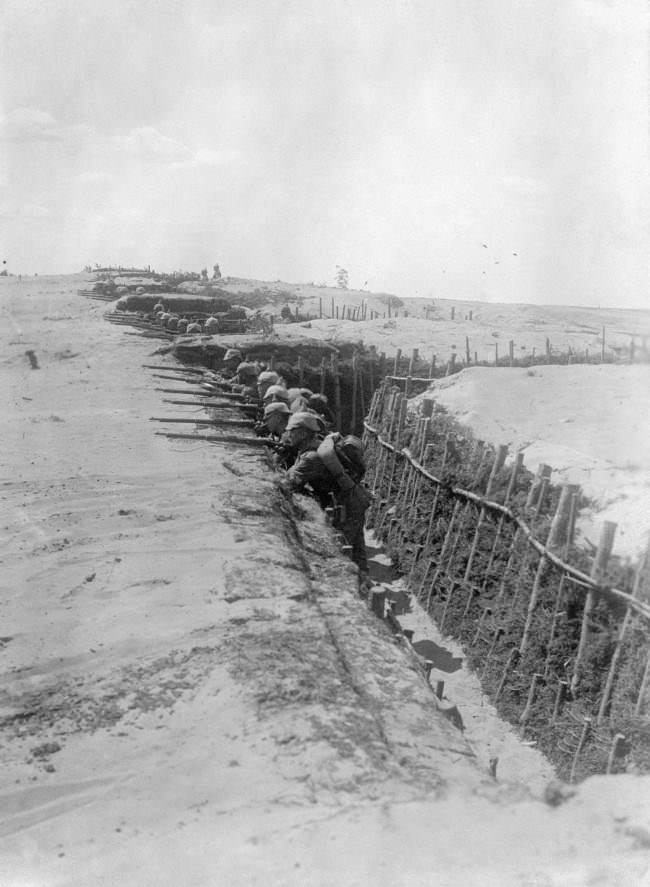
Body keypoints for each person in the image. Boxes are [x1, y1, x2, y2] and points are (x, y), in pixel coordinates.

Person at [285, 414, 370, 572]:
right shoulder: (313, 448)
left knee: (340, 553)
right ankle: (365, 587)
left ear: (303, 433)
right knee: (357, 552)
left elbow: (287, 482)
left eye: (292, 431)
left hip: (346, 506)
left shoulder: (311, 457)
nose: (289, 434)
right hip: (353, 500)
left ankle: (358, 590)